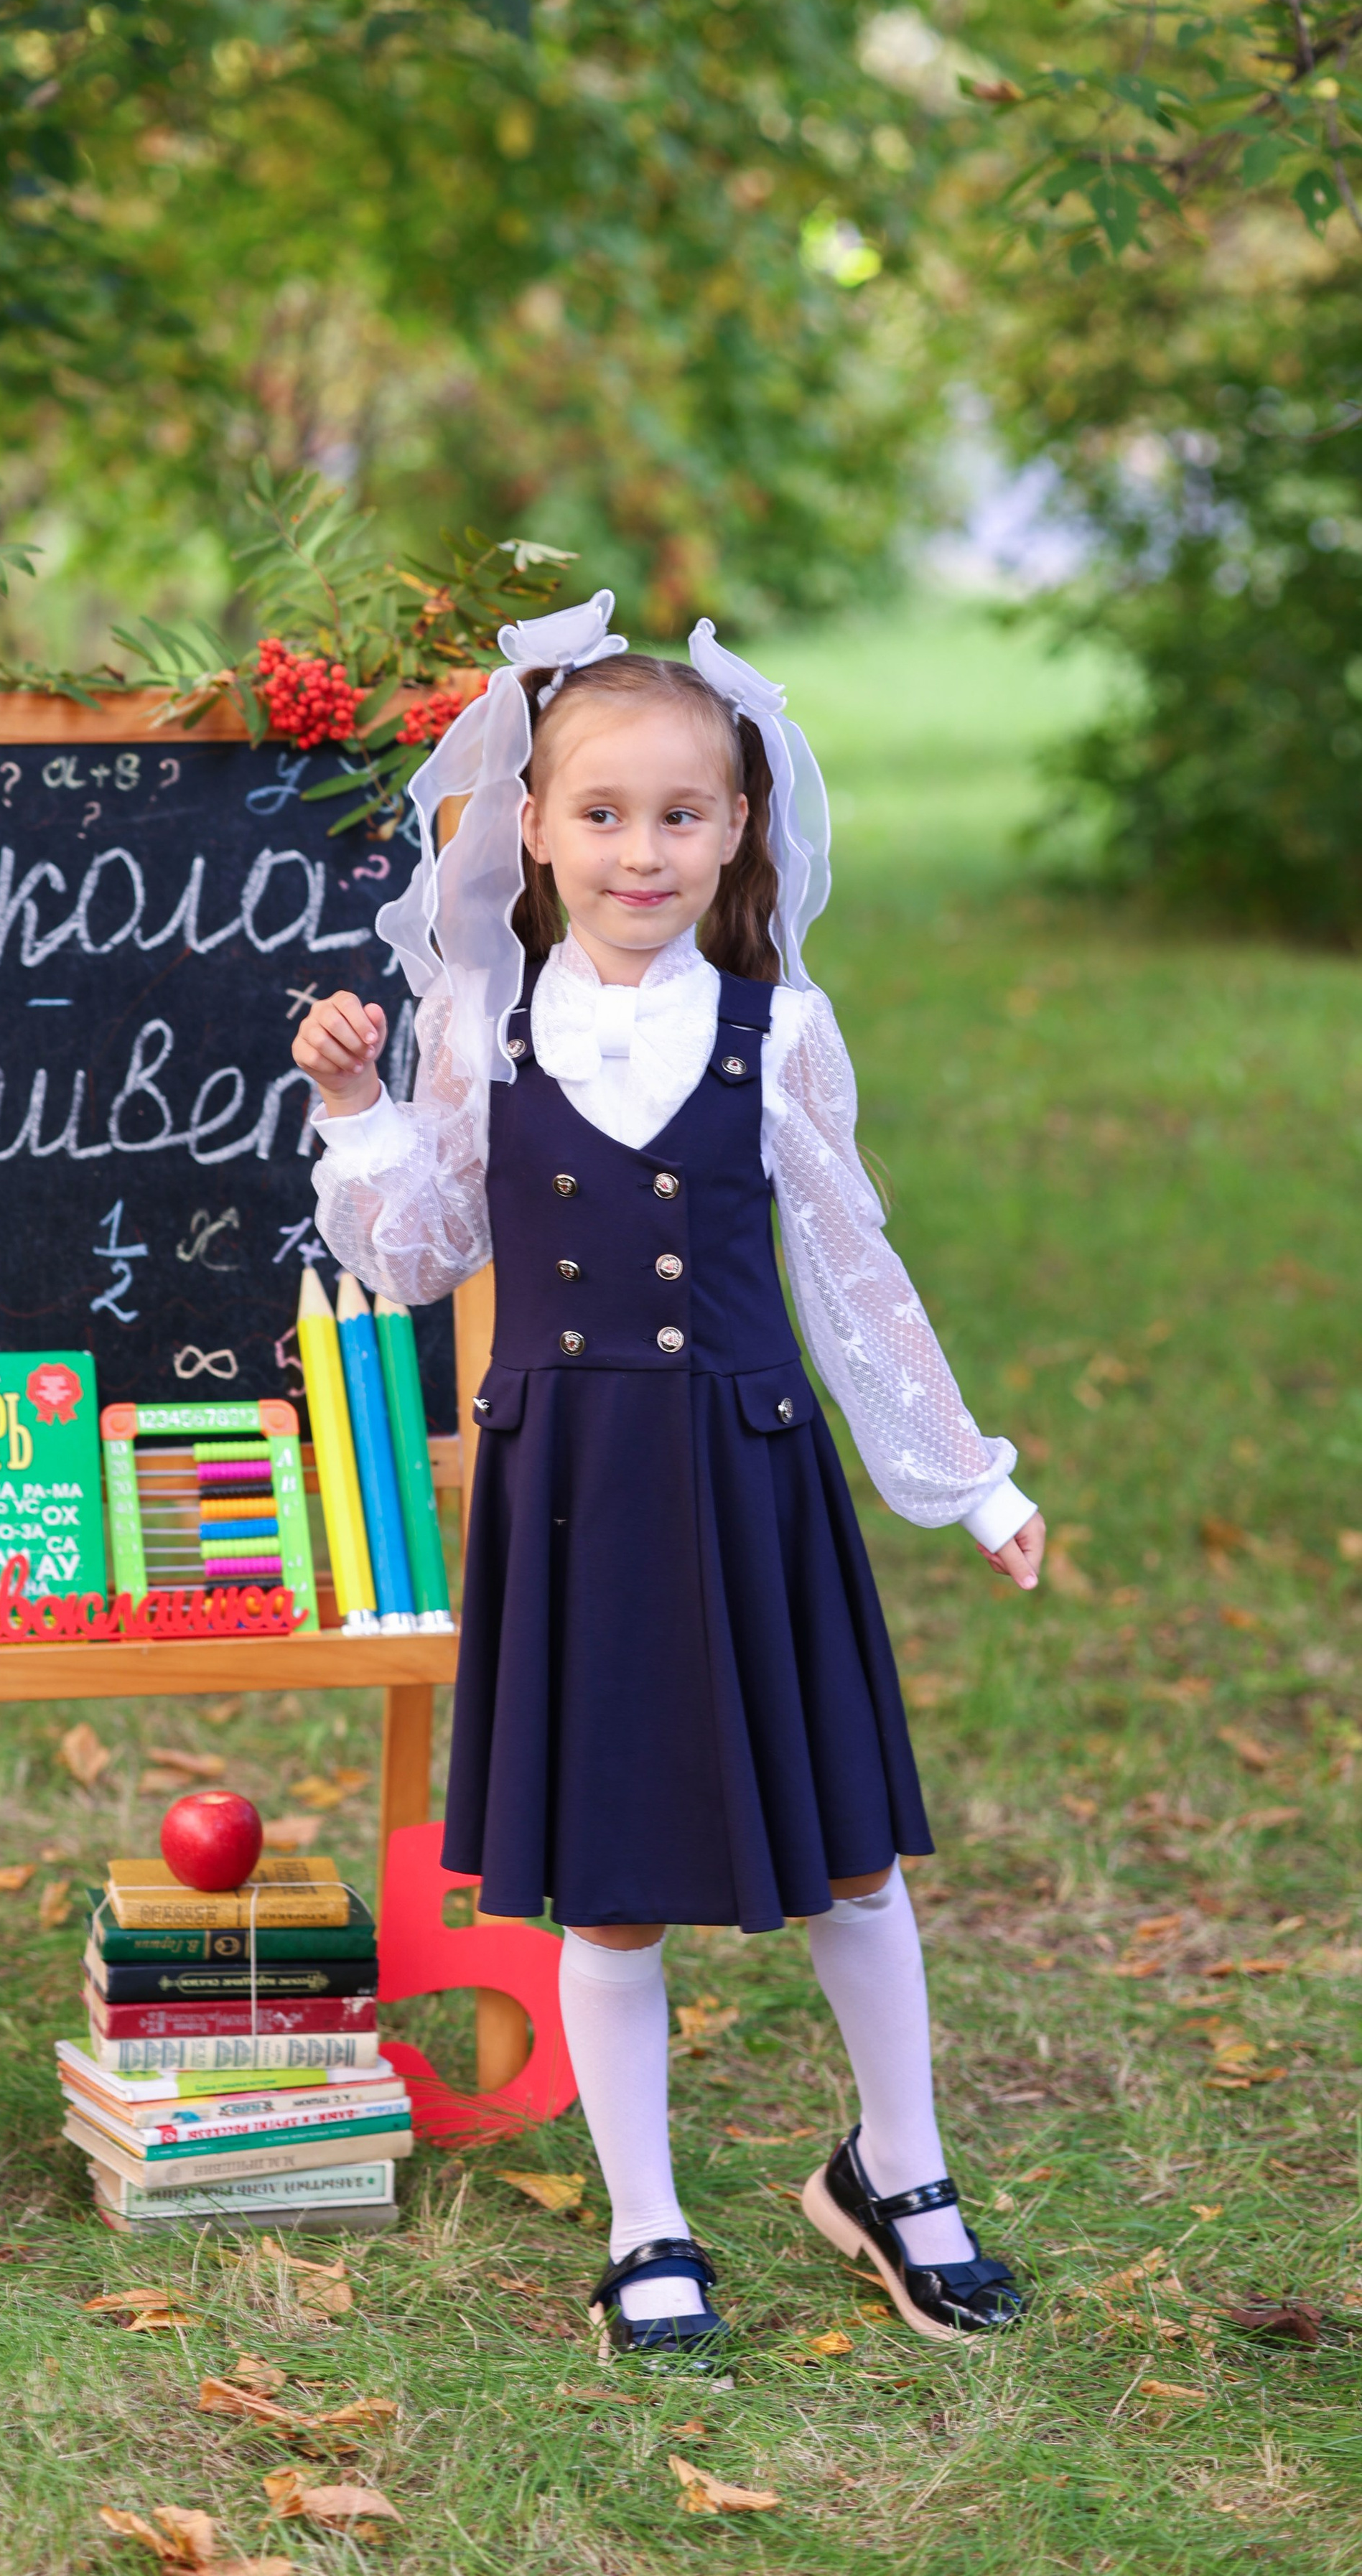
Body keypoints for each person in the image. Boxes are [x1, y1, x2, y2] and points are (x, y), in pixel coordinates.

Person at [291, 595, 1045, 2360]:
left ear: (738, 829)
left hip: (747, 1476)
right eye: (603, 814)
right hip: (574, 1501)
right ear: (534, 834)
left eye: (683, 815)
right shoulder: (486, 1033)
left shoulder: (775, 1034)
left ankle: (899, 2172)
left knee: (852, 1856)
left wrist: (967, 1481)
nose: (644, 850)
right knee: (613, 1880)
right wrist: (354, 1111)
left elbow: (855, 1276)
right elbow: (412, 1259)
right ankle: (647, 2221)